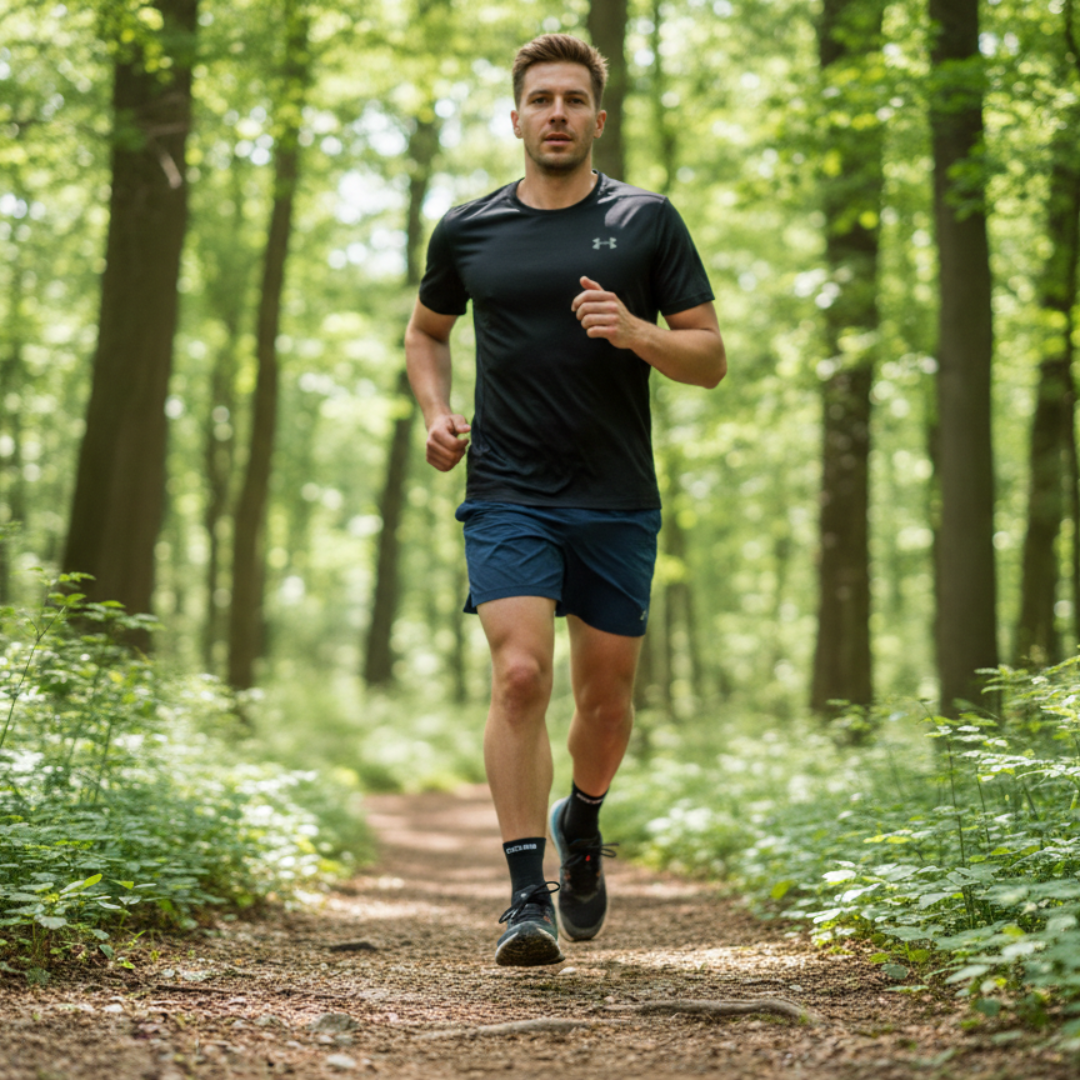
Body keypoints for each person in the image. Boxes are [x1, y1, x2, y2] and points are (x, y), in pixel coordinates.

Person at [404, 33, 726, 967]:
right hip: (508, 489)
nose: (556, 114)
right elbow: (427, 333)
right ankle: (524, 897)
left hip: (616, 495)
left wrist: (635, 332)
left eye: (573, 100)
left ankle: (580, 821)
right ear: (516, 119)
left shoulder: (647, 220)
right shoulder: (467, 229)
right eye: (541, 100)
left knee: (606, 704)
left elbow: (709, 357)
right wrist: (436, 413)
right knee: (518, 677)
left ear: (597, 118)